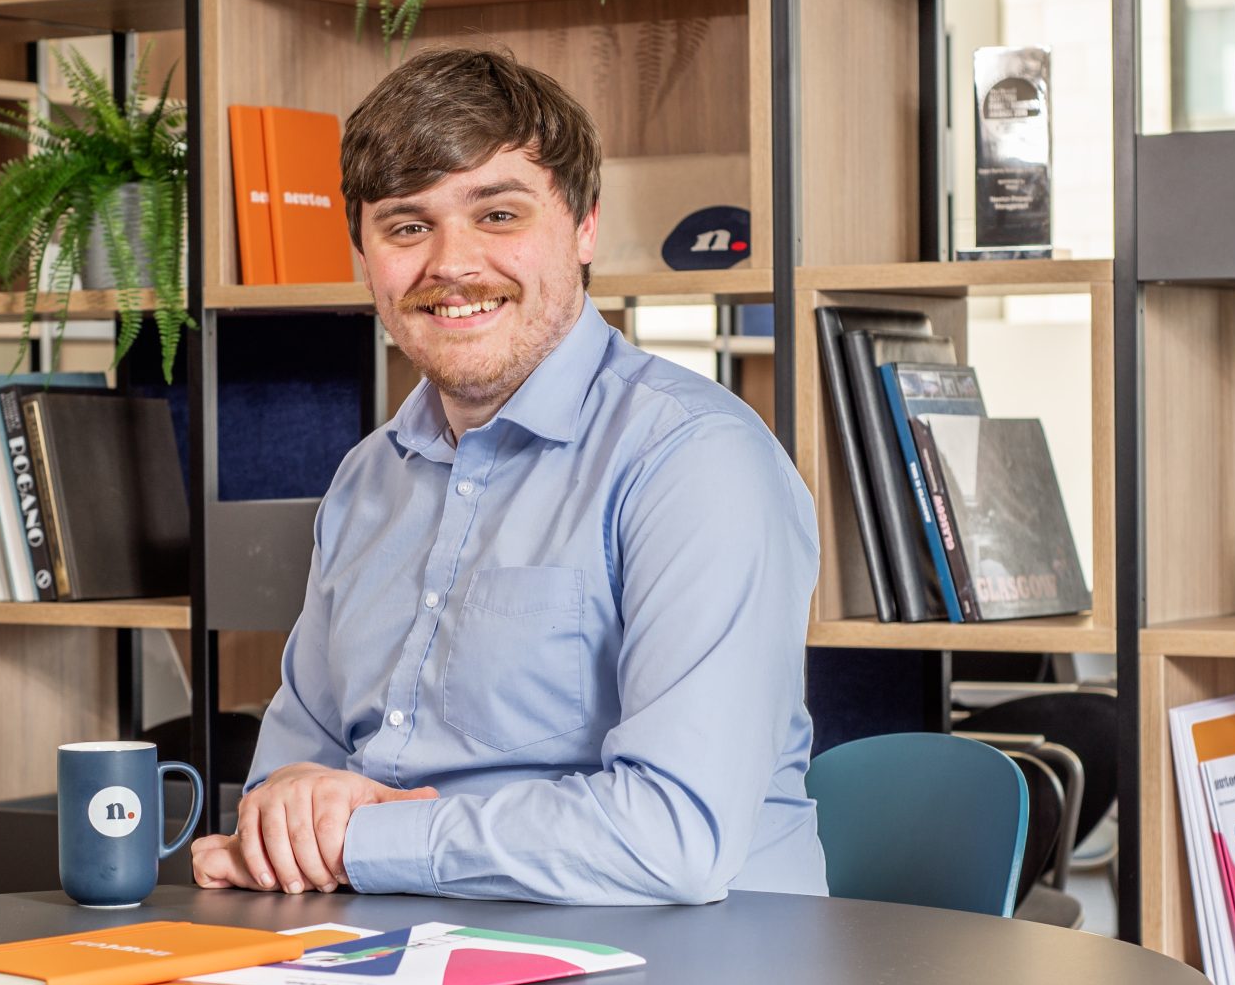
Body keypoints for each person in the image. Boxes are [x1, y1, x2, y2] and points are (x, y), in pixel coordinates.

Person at [189, 47, 823, 907]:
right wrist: (288, 814)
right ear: (364, 254)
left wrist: (362, 840)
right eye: (407, 227)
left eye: (497, 214)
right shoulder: (367, 479)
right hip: (391, 954)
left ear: (585, 226)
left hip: (679, 967)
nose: (452, 264)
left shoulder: (696, 462)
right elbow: (289, 780)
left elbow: (674, 837)